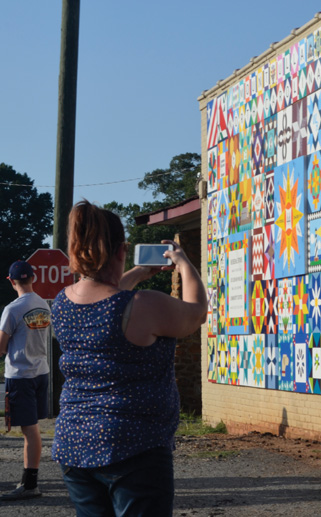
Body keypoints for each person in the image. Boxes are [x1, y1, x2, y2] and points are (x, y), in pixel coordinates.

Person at [51, 200, 207, 516]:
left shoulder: (61, 304)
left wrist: (137, 273)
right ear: (122, 249)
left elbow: (104, 297)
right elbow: (197, 312)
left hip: (74, 443)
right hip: (134, 447)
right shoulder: (144, 305)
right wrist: (184, 262)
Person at [0, 260, 51, 501]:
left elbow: (0, 346)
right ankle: (31, 480)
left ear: (11, 281)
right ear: (34, 278)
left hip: (21, 375)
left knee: (29, 430)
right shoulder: (44, 304)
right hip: (41, 371)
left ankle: (30, 484)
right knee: (33, 428)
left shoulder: (13, 309)